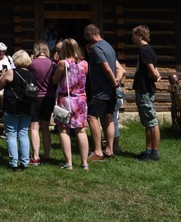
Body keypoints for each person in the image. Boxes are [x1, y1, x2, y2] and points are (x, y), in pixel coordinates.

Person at [83, 24, 123, 161]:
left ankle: (98, 151)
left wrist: (114, 82)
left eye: (85, 37)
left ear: (89, 35)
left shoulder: (96, 48)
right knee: (108, 117)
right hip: (110, 92)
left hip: (100, 91)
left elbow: (106, 68)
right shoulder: (108, 46)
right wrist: (117, 80)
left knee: (91, 117)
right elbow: (119, 68)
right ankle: (109, 149)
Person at [52, 38, 89, 170]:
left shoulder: (63, 63)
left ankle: (69, 163)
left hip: (66, 99)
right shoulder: (85, 64)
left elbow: (55, 80)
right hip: (80, 99)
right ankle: (84, 162)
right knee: (81, 130)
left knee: (63, 130)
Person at [0, 50, 35, 171]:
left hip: (12, 107)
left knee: (11, 135)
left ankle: (13, 163)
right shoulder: (31, 75)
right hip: (27, 107)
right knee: (23, 134)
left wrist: (3, 76)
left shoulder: (10, 72)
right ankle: (25, 162)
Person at [131, 25, 162, 161]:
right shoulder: (149, 49)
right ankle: (148, 150)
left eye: (133, 35)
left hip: (144, 89)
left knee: (151, 122)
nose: (132, 38)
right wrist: (156, 75)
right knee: (147, 122)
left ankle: (154, 153)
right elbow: (155, 69)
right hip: (145, 88)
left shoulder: (144, 50)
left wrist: (155, 76)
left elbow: (152, 69)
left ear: (139, 34)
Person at [29, 40, 56, 165]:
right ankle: (47, 154)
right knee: (45, 127)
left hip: (35, 97)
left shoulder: (32, 64)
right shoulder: (53, 64)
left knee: (34, 127)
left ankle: (35, 156)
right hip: (49, 97)